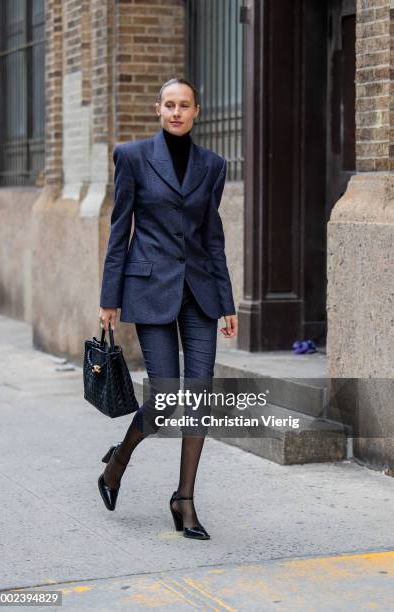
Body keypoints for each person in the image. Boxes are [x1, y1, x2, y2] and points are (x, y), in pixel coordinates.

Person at [97, 77, 238, 540]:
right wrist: (109, 298)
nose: (177, 112)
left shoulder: (213, 166)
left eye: (185, 106)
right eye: (169, 105)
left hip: (199, 294)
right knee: (161, 403)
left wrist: (227, 301)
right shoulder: (133, 157)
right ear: (158, 110)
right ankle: (118, 460)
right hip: (149, 290)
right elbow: (121, 229)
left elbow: (211, 237)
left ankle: (184, 500)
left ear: (197, 111)